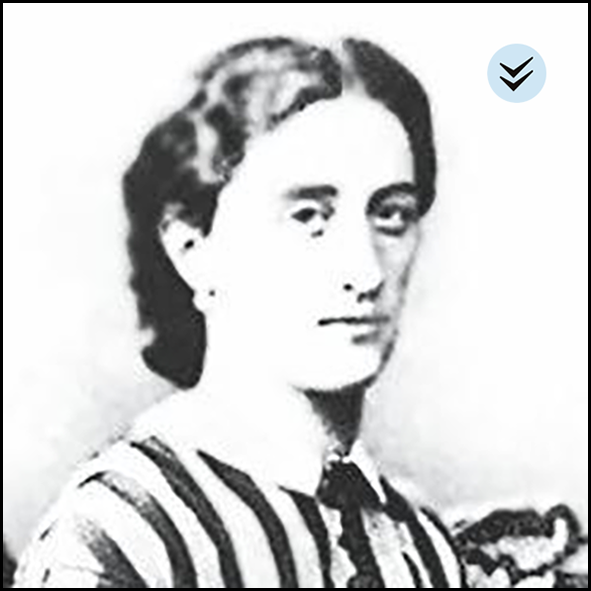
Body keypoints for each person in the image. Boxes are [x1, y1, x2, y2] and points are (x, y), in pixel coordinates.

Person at [14, 35, 584, 589]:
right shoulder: (125, 540)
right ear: (193, 249)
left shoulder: (420, 549)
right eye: (309, 216)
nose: (365, 271)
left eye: (391, 215)